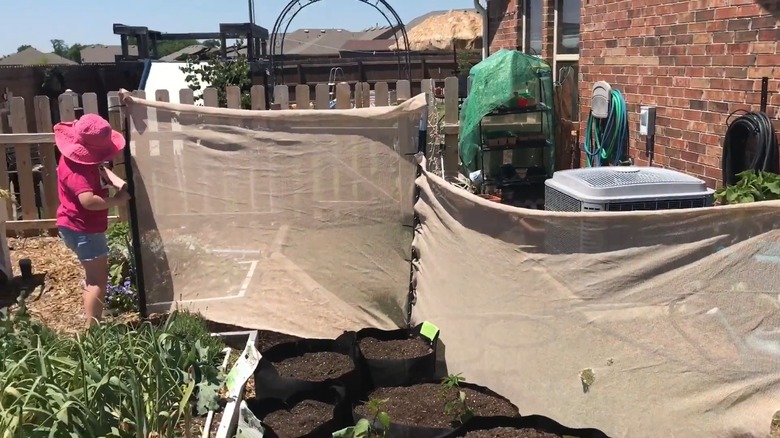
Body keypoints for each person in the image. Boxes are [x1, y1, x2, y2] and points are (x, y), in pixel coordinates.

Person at [54, 114, 130, 327]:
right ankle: (92, 330)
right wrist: (117, 200)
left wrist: (118, 182)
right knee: (97, 281)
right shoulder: (77, 173)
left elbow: (100, 168)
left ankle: (93, 316)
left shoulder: (78, 160)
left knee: (92, 277)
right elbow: (88, 201)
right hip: (84, 230)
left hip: (75, 226)